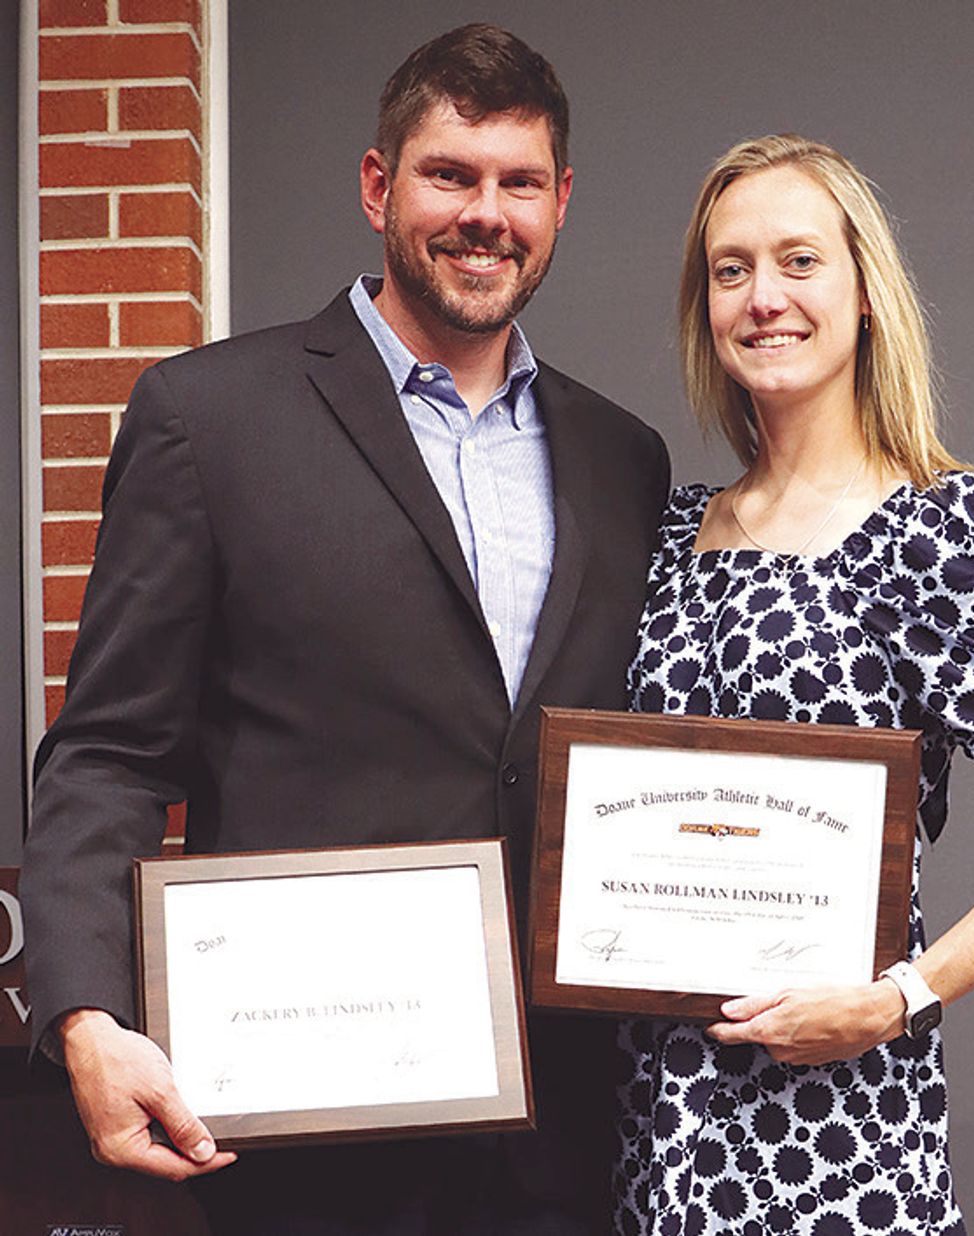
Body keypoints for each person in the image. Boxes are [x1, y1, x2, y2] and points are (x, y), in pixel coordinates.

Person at [21, 24, 669, 1235]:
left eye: (519, 182)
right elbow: (107, 754)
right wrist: (83, 1016)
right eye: (450, 175)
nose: (487, 213)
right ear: (379, 186)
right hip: (307, 1135)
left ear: (561, 202)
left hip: (568, 1132)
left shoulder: (623, 458)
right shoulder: (208, 418)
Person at [613, 134, 974, 1235]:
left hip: (838, 1138)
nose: (764, 298)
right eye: (731, 268)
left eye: (800, 261)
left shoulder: (950, 528)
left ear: (865, 293)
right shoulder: (664, 534)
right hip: (653, 1132)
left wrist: (898, 999)